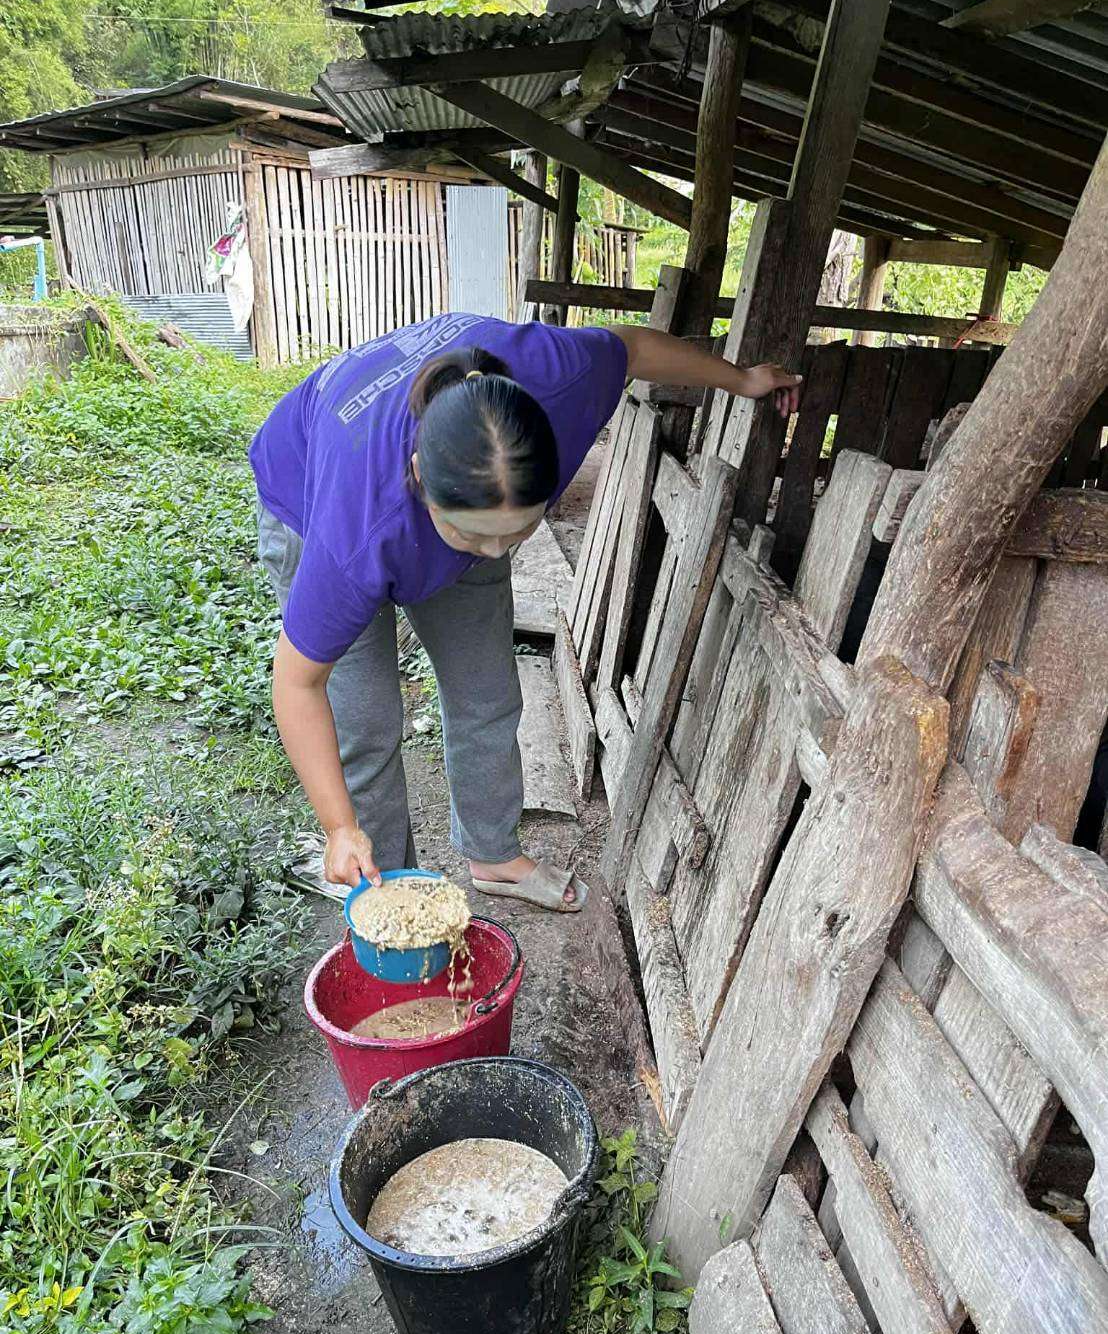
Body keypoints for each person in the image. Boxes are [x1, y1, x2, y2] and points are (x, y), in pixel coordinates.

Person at [251, 312, 800, 912]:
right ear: (420, 481)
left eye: (517, 532)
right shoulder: (353, 533)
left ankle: (492, 854)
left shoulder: (561, 381)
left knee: (487, 690)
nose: (494, 554)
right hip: (312, 483)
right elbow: (300, 684)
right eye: (474, 537)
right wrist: (337, 826)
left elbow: (637, 346)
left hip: (461, 489)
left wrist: (741, 379)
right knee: (365, 723)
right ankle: (385, 891)